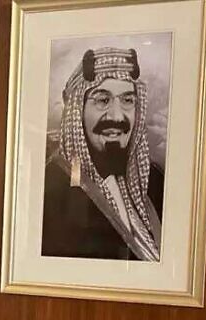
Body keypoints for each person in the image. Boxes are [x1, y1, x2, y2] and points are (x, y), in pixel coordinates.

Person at [42, 47, 164, 261]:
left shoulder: (154, 181)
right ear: (77, 110)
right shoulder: (52, 186)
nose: (117, 116)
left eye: (127, 100)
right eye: (102, 100)